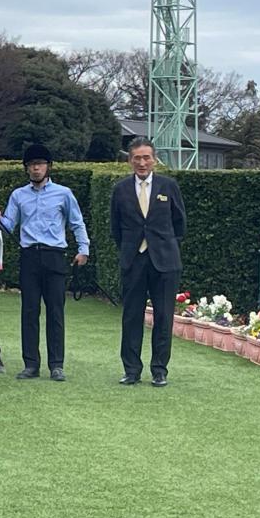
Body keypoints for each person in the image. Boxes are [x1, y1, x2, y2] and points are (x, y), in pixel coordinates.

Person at [0, 144, 89, 382]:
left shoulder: (63, 194)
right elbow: (9, 226)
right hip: (30, 256)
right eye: (32, 165)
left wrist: (83, 249)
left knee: (56, 311)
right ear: (26, 169)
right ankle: (31, 364)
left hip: (55, 255)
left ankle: (56, 364)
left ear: (48, 167)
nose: (36, 168)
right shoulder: (18, 195)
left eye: (40, 164)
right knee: (29, 311)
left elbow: (77, 223)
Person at [110, 137, 186, 387]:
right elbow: (116, 228)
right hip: (134, 260)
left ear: (154, 159)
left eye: (146, 157)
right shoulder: (120, 189)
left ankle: (159, 370)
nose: (142, 163)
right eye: (137, 158)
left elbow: (179, 223)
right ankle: (131, 370)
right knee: (131, 316)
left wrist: (164, 245)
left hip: (165, 261)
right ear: (129, 160)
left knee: (164, 317)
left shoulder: (168, 186)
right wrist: (132, 250)